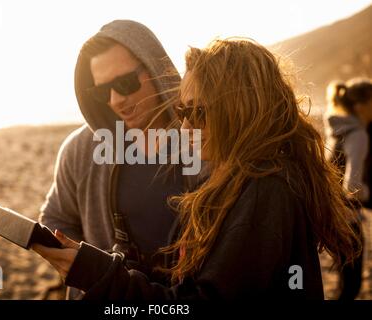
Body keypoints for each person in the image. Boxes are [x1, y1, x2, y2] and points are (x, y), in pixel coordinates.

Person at [33, 38, 361, 300]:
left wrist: (97, 273)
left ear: (240, 109)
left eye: (199, 113)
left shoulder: (264, 189)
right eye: (182, 110)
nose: (185, 125)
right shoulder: (248, 177)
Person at [37, 20, 190, 299]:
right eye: (101, 91)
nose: (116, 100)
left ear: (157, 69)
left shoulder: (204, 139)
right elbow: (56, 217)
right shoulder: (80, 149)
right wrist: (88, 263)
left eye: (125, 83)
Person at [324, 78, 372, 299]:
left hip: (331, 215)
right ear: (362, 105)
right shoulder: (359, 134)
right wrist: (368, 194)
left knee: (345, 284)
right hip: (348, 219)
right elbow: (351, 185)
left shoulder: (338, 130)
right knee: (351, 287)